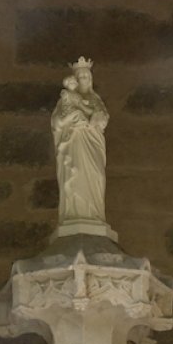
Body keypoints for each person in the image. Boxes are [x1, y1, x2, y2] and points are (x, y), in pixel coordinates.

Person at [50, 56, 109, 224]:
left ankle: (95, 215)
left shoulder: (96, 100)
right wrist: (73, 119)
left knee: (96, 175)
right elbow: (57, 122)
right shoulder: (65, 100)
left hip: (92, 142)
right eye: (80, 77)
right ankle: (74, 214)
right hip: (73, 142)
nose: (83, 80)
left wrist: (93, 119)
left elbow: (103, 118)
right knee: (74, 175)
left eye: (86, 77)